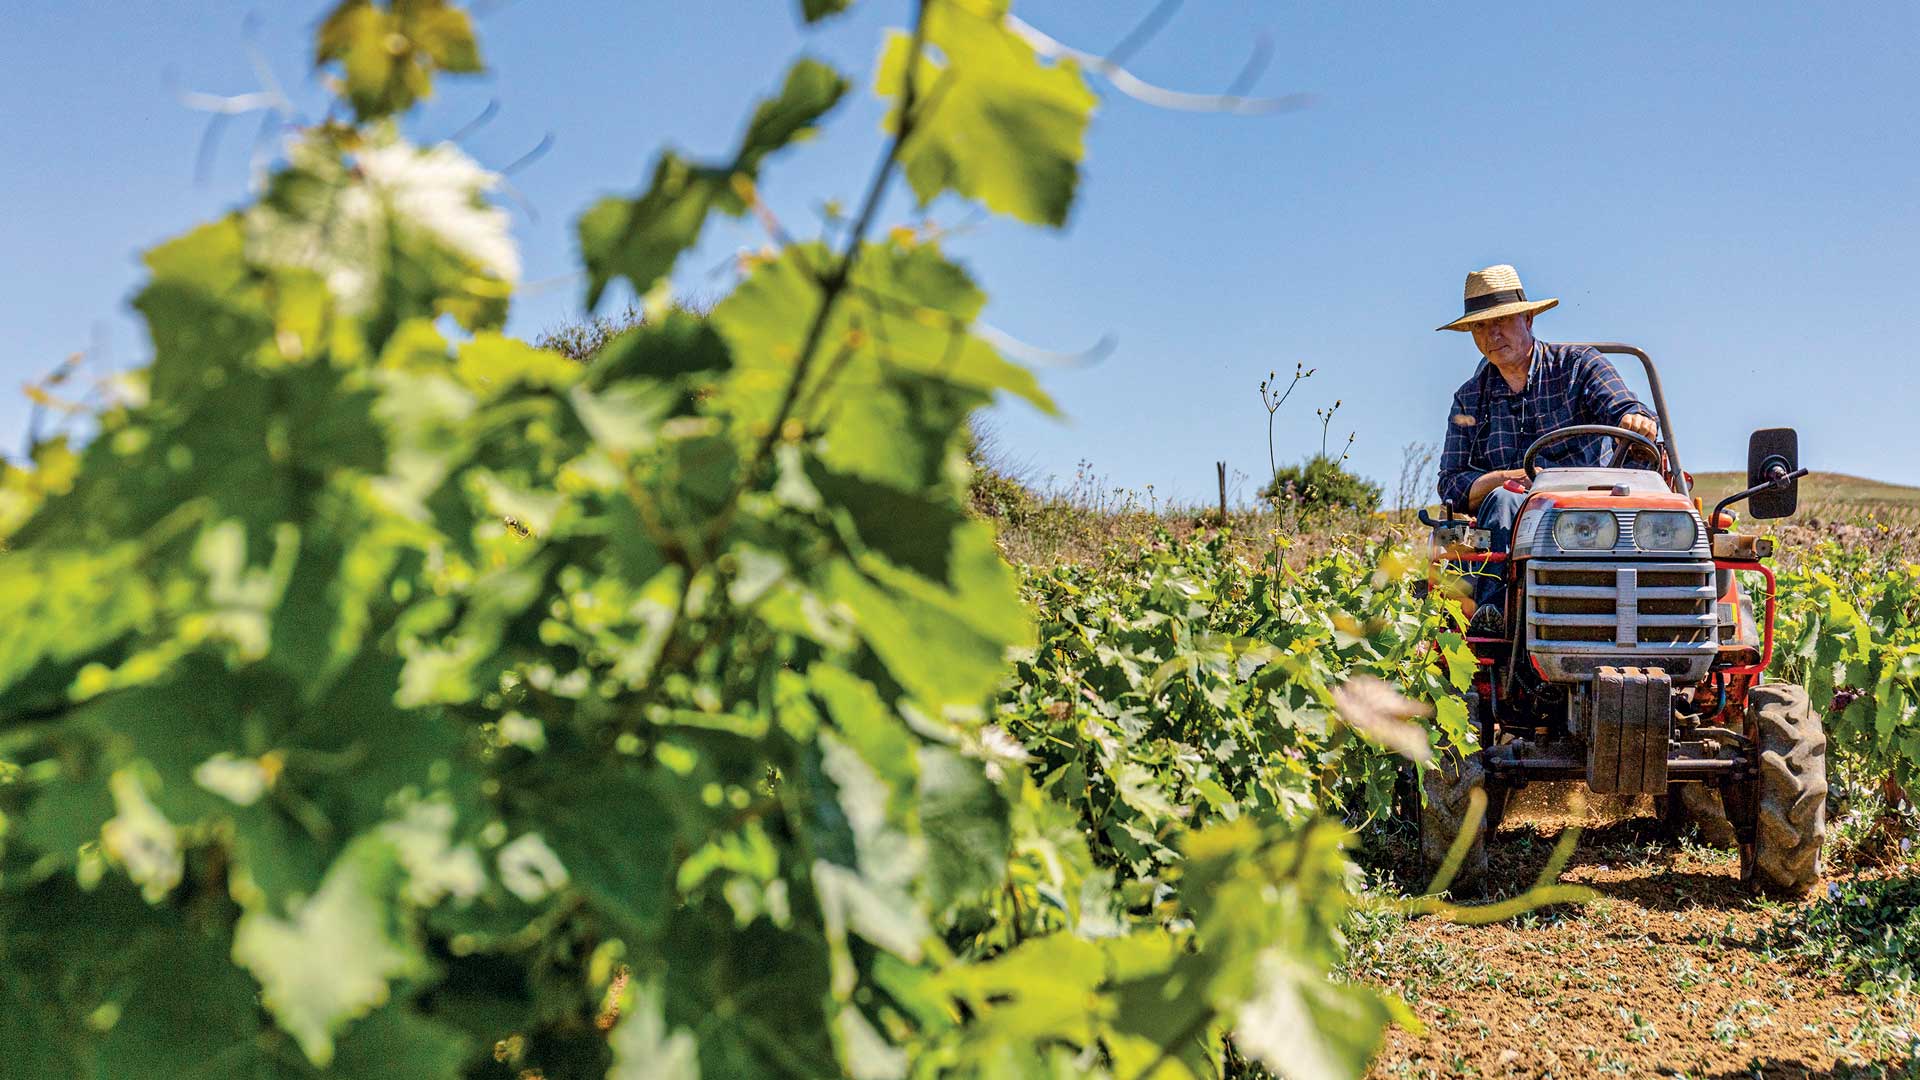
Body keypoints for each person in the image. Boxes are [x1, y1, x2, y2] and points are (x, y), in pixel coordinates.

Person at [1434, 264, 1659, 634]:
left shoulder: (1579, 365)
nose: (1493, 333)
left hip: (1592, 515)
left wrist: (1636, 420)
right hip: (1511, 520)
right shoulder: (1469, 399)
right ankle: (1495, 618)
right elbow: (1452, 485)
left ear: (1528, 318)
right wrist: (1510, 480)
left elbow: (1627, 412)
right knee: (1501, 501)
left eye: (1502, 320)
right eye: (1480, 325)